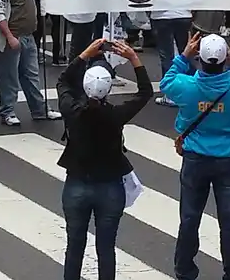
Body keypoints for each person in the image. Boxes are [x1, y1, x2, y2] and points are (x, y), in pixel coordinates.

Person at [56, 38, 152, 280]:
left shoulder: (72, 110)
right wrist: (133, 58)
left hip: (77, 183)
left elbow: (64, 81)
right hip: (110, 186)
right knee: (106, 249)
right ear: (109, 89)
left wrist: (84, 55)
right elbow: (145, 93)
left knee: (74, 246)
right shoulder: (116, 115)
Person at [161, 33, 230, 280]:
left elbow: (166, 82)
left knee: (189, 218)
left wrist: (183, 56)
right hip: (228, 160)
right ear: (225, 59)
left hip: (195, 159)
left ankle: (184, 271)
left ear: (200, 59)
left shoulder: (185, 86)